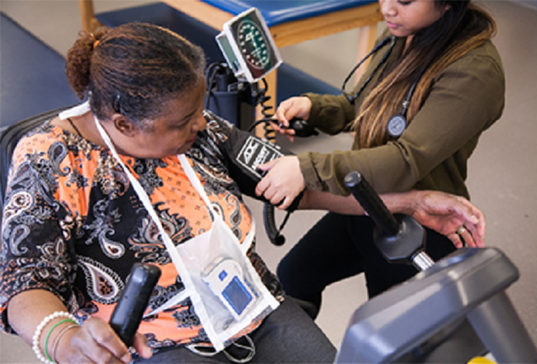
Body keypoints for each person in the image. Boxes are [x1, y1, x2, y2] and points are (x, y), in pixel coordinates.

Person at [0, 22, 485, 364]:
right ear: (124, 123)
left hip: (253, 305)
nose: (201, 125)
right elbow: (24, 282)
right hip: (157, 339)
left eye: (199, 111)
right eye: (181, 123)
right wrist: (63, 340)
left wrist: (407, 203)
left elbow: (288, 181)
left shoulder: (200, 127)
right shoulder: (51, 157)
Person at [255, 0, 504, 316]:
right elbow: (364, 107)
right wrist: (314, 108)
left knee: (381, 325)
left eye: (404, 1)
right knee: (294, 277)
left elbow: (404, 161)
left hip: (419, 223)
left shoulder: (475, 71)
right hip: (368, 200)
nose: (387, 9)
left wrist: (307, 168)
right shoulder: (402, 33)